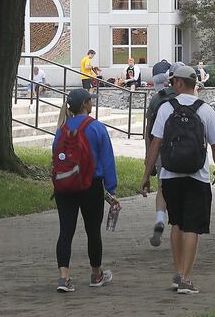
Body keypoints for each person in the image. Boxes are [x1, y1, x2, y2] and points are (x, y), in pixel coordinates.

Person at [141, 65, 215, 294]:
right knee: (192, 227)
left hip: (170, 176)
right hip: (197, 176)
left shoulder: (166, 108)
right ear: (193, 84)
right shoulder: (205, 110)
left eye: (172, 82)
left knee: (176, 224)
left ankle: (178, 272)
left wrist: (146, 175)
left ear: (179, 83)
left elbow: (155, 144)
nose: (170, 85)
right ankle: (186, 279)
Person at [53, 89, 120, 292]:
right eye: (90, 101)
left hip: (64, 186)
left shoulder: (61, 129)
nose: (92, 103)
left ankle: (64, 278)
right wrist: (111, 189)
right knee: (93, 232)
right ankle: (96, 274)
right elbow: (108, 160)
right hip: (91, 185)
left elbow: (56, 156)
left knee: (66, 231)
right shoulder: (96, 127)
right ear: (84, 105)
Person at [143, 62, 184, 247]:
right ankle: (179, 226)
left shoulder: (157, 99)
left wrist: (148, 155)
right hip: (184, 151)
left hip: (161, 150)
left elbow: (149, 130)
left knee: (162, 186)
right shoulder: (190, 99)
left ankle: (160, 218)